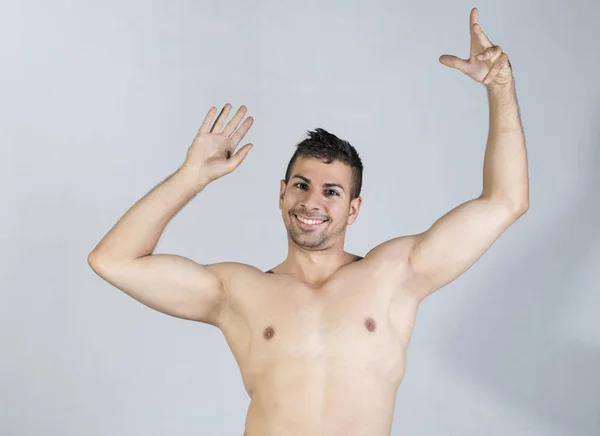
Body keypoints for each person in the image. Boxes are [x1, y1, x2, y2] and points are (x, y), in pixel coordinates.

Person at [87, 8, 529, 436]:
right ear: (282, 193)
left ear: (353, 209)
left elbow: (506, 200)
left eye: (331, 191)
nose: (311, 201)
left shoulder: (396, 273)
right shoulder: (237, 292)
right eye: (301, 185)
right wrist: (190, 177)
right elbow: (112, 260)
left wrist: (501, 88)